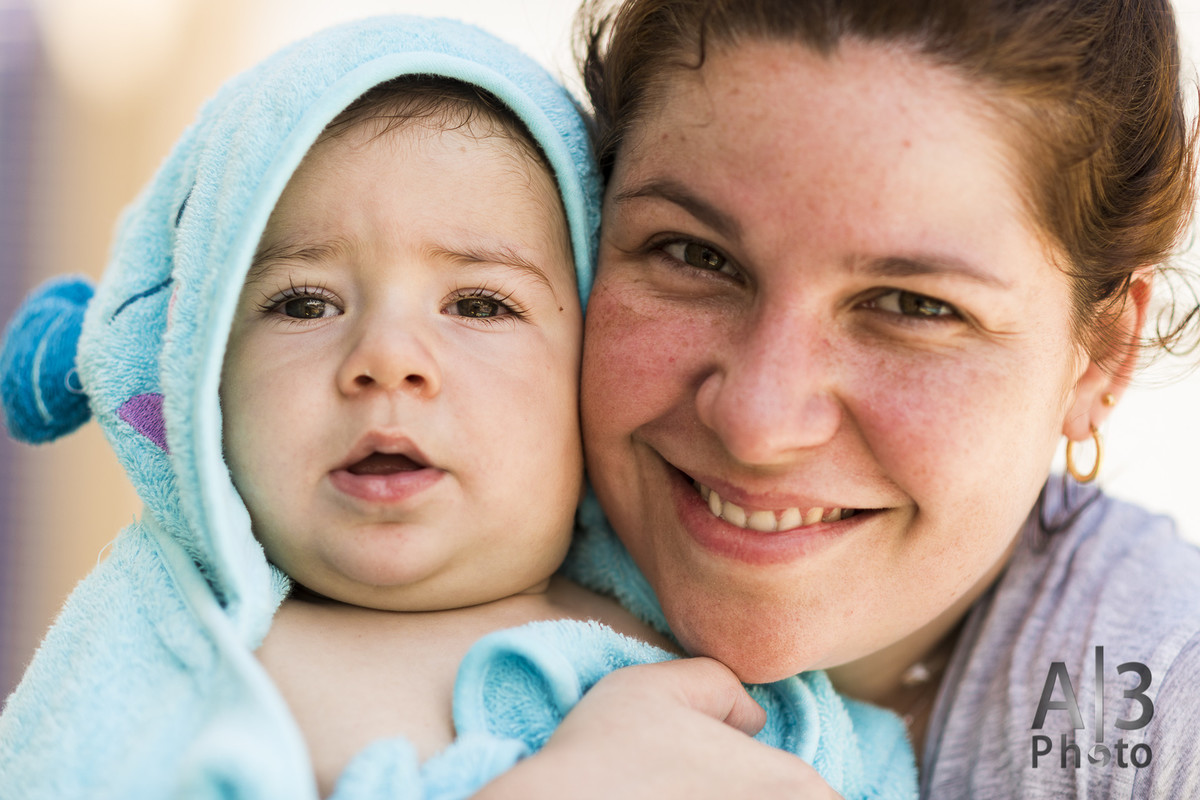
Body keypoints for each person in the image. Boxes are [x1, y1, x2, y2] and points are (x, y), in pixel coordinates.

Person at [0, 14, 916, 800]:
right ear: (197, 376)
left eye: (479, 304)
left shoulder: (738, 678)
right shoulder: (178, 660)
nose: (386, 360)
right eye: (304, 304)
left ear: (587, 366)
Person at [479, 0, 1200, 797]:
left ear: (1099, 360)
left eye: (913, 306)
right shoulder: (401, 516)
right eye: (694, 255)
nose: (757, 423)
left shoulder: (1164, 713)